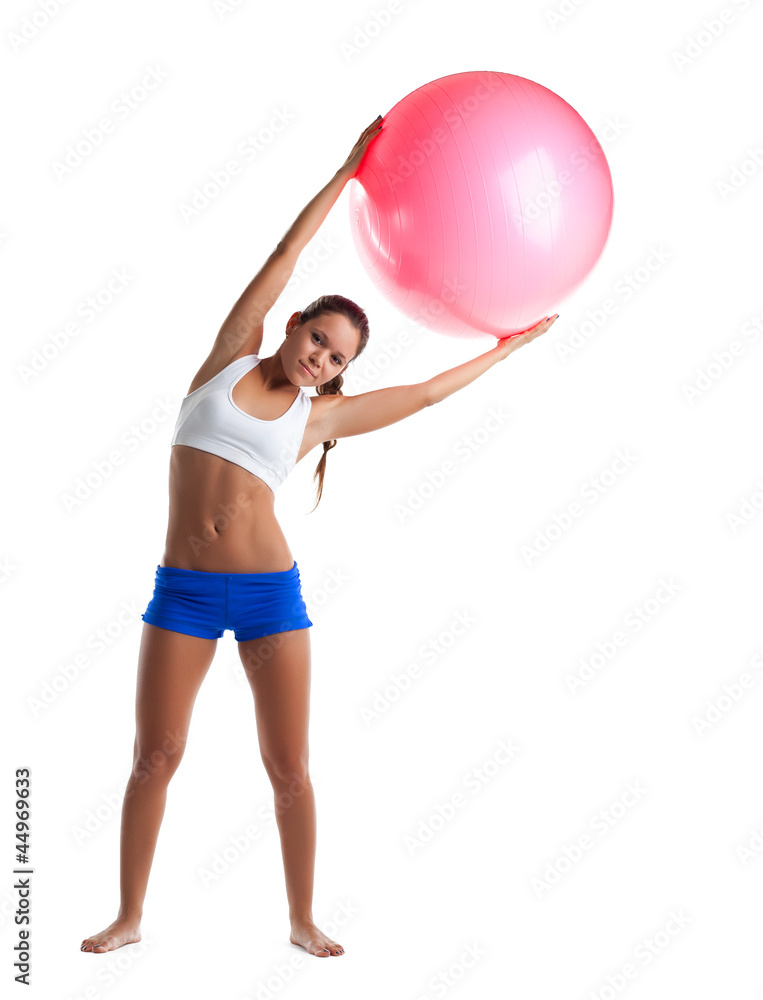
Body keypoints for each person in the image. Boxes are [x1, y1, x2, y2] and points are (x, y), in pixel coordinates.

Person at [79, 116, 558, 959]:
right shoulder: (228, 360)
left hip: (269, 593)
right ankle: (128, 917)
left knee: (288, 769)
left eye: (335, 360)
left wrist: (508, 349)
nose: (320, 361)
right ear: (294, 325)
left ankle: (302, 919)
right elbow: (280, 260)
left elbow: (423, 395)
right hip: (182, 590)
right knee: (154, 756)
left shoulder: (316, 418)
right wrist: (344, 174)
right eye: (316, 340)